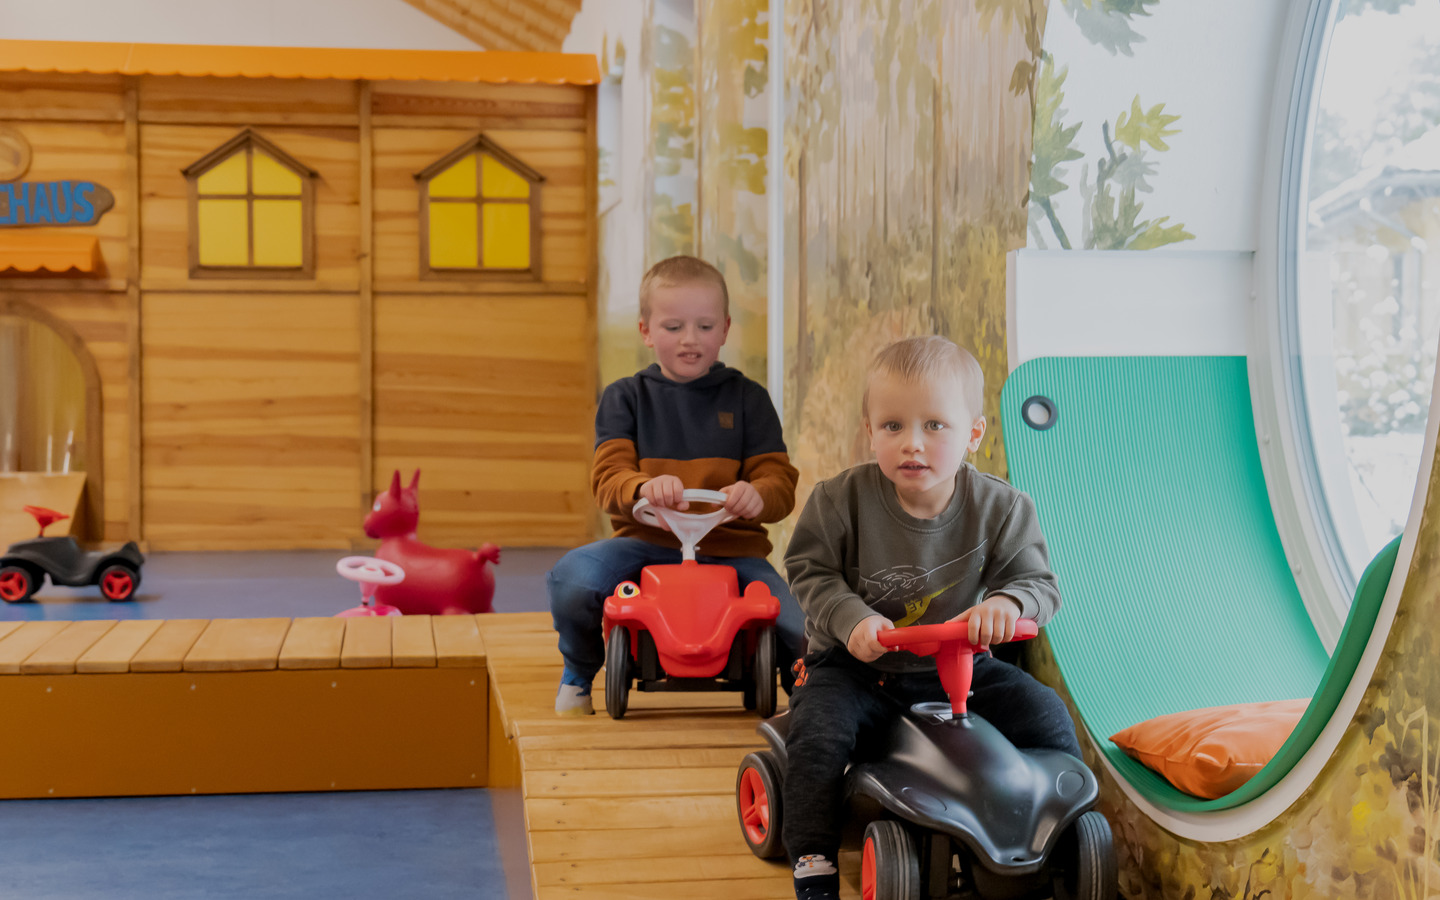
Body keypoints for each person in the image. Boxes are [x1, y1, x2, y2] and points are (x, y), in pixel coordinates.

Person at [781, 335, 1082, 900]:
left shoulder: (1003, 507)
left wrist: (1006, 604)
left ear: (973, 433)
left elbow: (1039, 584)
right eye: (892, 426)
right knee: (819, 734)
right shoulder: (840, 500)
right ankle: (814, 856)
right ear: (869, 431)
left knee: (1044, 711)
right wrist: (851, 620)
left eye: (934, 426)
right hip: (857, 667)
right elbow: (808, 569)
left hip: (960, 666)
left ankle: (1059, 829)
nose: (911, 444)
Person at [547, 255, 804, 715]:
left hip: (730, 546)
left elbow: (779, 481)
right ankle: (579, 673)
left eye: (705, 327)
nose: (690, 340)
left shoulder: (748, 399)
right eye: (673, 327)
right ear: (646, 330)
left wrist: (757, 493)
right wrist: (642, 488)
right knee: (573, 579)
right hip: (646, 541)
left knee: (795, 622)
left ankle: (804, 691)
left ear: (725, 329)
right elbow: (608, 477)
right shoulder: (626, 398)